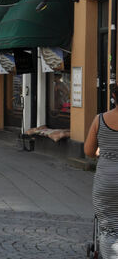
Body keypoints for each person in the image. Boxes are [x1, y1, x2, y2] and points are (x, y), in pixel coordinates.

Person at [85, 86, 118, 258]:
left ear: (114, 96)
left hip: (106, 181)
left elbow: (89, 151)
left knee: (109, 228)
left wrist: (104, 152)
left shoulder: (100, 119)